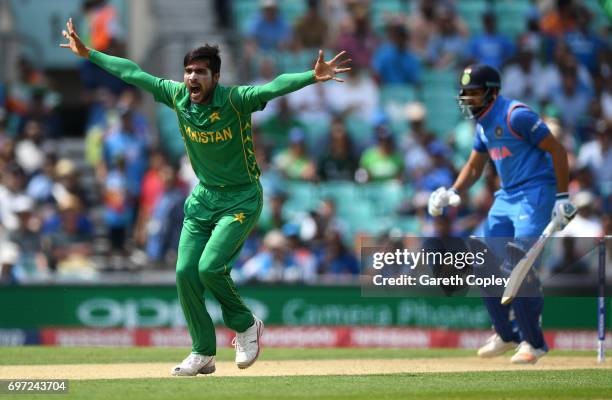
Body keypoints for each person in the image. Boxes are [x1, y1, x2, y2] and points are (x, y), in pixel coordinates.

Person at [60, 18, 350, 375]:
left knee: (209, 267)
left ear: (215, 77)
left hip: (241, 198)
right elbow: (133, 73)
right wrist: (89, 53)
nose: (192, 78)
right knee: (184, 272)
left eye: (200, 72)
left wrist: (310, 75)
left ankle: (245, 325)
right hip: (203, 199)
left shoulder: (236, 100)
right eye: (188, 71)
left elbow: (273, 87)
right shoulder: (178, 96)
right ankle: (203, 353)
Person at [428, 64, 576, 364]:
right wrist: (452, 191)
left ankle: (532, 343)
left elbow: (558, 151)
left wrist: (562, 197)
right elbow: (473, 167)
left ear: (492, 92)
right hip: (506, 196)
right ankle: (505, 334)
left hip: (535, 192)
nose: (468, 100)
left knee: (518, 263)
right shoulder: (483, 124)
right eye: (465, 94)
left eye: (474, 93)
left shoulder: (516, 115)